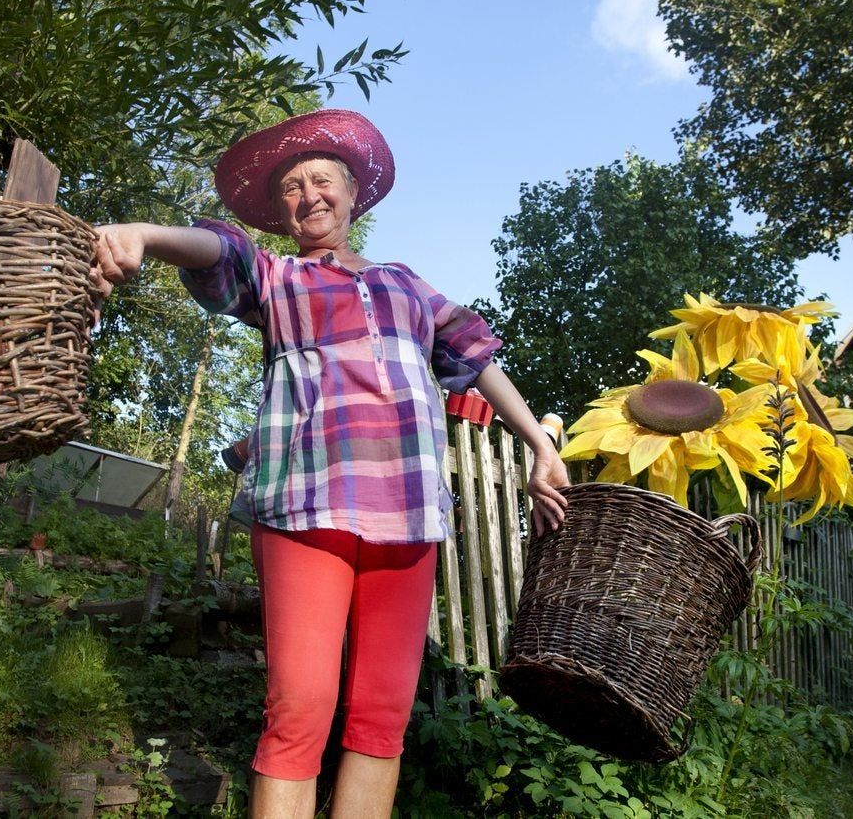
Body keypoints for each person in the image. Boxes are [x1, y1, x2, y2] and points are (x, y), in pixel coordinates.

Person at [92, 109, 570, 818]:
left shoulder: (408, 285)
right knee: (300, 708)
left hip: (408, 513)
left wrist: (540, 443)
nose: (308, 193)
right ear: (283, 213)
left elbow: (475, 359)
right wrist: (144, 236)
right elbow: (218, 251)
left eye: (322, 180)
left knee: (381, 716)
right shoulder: (276, 278)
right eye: (291, 187)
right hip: (303, 505)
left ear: (353, 196)